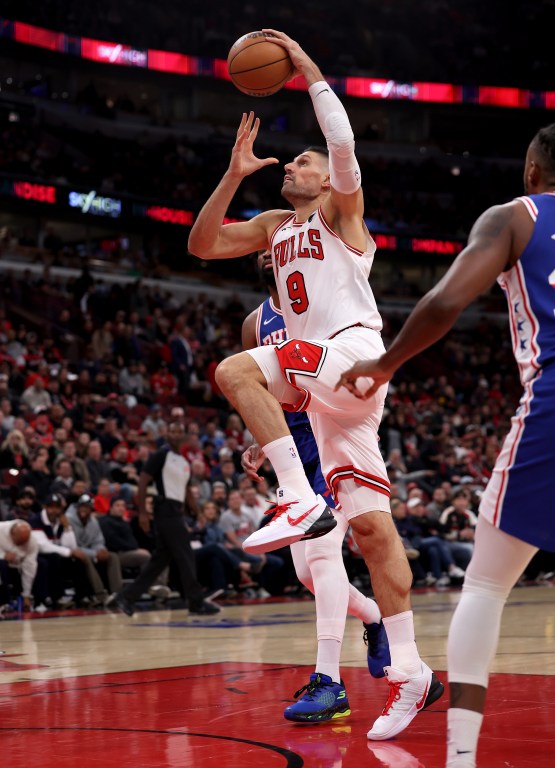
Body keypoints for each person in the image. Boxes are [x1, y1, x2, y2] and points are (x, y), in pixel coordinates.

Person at [337, 122, 555, 765]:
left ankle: (461, 759)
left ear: (531, 172)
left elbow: (444, 301)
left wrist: (384, 364)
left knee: (487, 588)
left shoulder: (515, 216)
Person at [187, 28, 443, 739]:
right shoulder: (274, 226)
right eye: (294, 161)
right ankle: (415, 671)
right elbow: (202, 245)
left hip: (353, 356)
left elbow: (345, 149)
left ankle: (297, 497)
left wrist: (306, 70)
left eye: (303, 161)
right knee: (371, 530)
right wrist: (235, 174)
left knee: (236, 368)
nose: (294, 165)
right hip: (329, 392)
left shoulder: (340, 213)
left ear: (327, 181)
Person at [241, 249, 392, 721]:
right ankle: (375, 618)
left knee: (325, 556)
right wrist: (258, 441)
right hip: (290, 447)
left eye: (276, 248)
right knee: (308, 574)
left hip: (327, 435)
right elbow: (258, 387)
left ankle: (330, 682)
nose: (270, 255)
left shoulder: (325, 306)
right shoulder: (254, 322)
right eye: (262, 250)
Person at [107, 421, 220, 617]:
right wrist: (142, 512)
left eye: (179, 431)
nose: (176, 434)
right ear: (167, 434)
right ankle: (196, 601)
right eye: (172, 431)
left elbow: (186, 491)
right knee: (186, 555)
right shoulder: (161, 455)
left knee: (159, 561)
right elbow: (143, 480)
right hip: (164, 510)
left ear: (184, 436)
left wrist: (198, 512)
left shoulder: (184, 462)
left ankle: (126, 597)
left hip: (176, 511)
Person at [0, 519, 37, 610]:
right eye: (20, 542)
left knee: (41, 564)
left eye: (24, 542)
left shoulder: (32, 542)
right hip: (3, 564)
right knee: (2, 564)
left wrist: (26, 595)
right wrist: (3, 555)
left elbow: (30, 567)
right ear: (12, 533)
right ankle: (4, 601)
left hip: (17, 566)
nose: (22, 545)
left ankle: (39, 601)